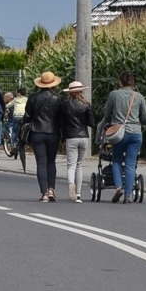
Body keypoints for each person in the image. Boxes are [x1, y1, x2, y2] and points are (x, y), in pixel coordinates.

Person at [99, 70, 146, 203]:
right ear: (132, 82)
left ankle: (118, 187)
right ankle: (128, 195)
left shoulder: (114, 95)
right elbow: (145, 119)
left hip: (119, 132)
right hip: (135, 133)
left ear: (120, 81)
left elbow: (107, 115)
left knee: (116, 160)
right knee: (130, 164)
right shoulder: (139, 97)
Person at [24, 71, 64, 201]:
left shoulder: (33, 97)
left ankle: (44, 193)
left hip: (37, 132)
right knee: (51, 162)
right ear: (54, 84)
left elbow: (28, 116)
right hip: (53, 133)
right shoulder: (58, 98)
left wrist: (23, 127)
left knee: (41, 162)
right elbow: (61, 118)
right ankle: (52, 190)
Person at [60, 80, 96, 203]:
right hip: (83, 136)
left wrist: (62, 138)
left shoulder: (65, 105)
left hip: (71, 137)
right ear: (81, 91)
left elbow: (62, 123)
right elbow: (91, 123)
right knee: (79, 165)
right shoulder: (86, 105)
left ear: (69, 92)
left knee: (71, 165)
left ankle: (71, 184)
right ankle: (79, 194)